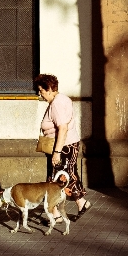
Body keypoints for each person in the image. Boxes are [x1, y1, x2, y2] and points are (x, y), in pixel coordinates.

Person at [34, 73, 90, 218]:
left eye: (41, 91)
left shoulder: (57, 103)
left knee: (56, 180)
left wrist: (57, 152)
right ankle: (79, 204)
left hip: (62, 146)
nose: (40, 94)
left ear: (50, 89)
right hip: (67, 144)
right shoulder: (62, 100)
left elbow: (63, 128)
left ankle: (56, 214)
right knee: (64, 176)